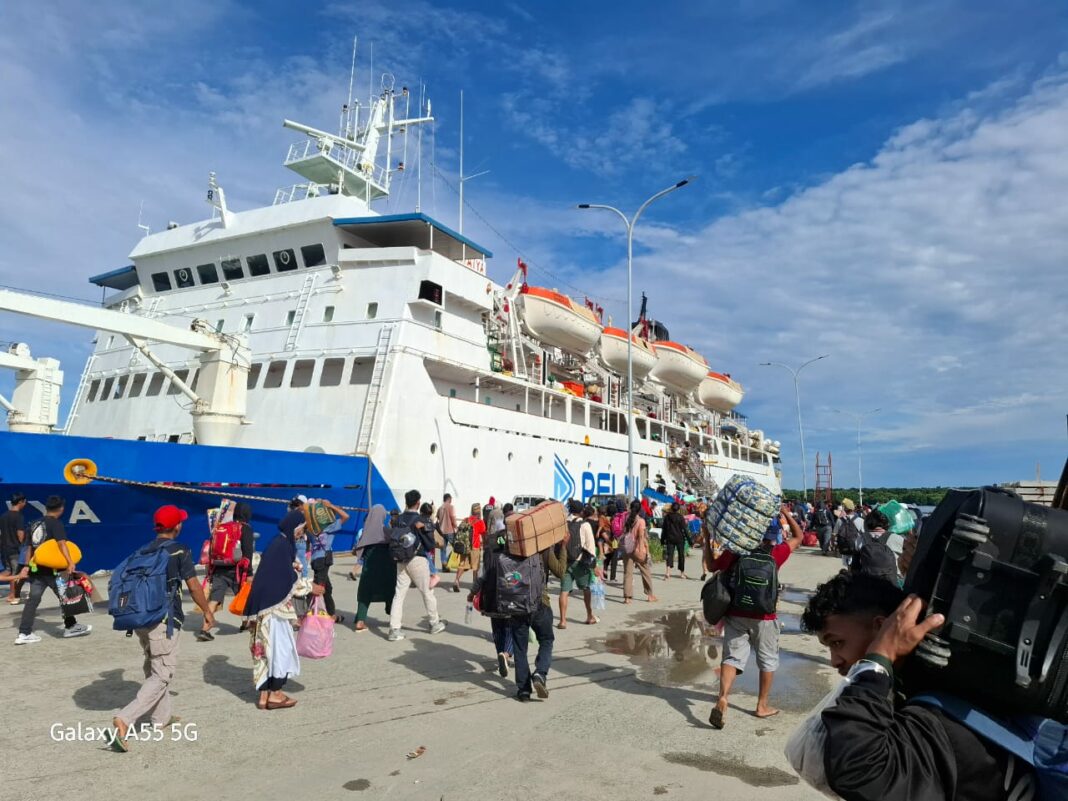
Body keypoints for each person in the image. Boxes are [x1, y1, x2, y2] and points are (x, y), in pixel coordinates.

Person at [796, 572, 1036, 800]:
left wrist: (878, 661)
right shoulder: (939, 678)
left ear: (883, 627)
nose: (834, 660)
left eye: (837, 642)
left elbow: (856, 768)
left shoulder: (933, 720)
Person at [108, 505, 214, 752]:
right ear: (177, 526)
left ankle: (161, 718)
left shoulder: (144, 549)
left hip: (141, 618)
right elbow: (194, 585)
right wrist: (207, 611)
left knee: (154, 666)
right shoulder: (179, 550)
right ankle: (124, 719)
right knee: (162, 673)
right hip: (164, 620)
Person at [708, 504, 804, 729]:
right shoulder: (777, 553)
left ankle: (723, 697)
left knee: (731, 658)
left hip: (736, 612)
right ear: (773, 536)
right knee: (767, 659)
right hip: (765, 616)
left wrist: (706, 537)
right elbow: (799, 536)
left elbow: (712, 565)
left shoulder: (737, 551)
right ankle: (762, 706)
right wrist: (785, 514)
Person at [244, 507, 317, 710]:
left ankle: (263, 696)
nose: (302, 533)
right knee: (279, 649)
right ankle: (275, 694)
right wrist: (311, 587)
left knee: (265, 651)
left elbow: (276, 573)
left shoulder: (278, 544)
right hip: (274, 612)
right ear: (294, 527)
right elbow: (285, 580)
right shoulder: (283, 545)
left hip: (264, 609)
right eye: (301, 528)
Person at [15, 495, 91, 644]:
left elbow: (28, 547)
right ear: (61, 509)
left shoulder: (34, 523)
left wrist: (25, 567)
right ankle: (71, 627)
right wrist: (70, 562)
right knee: (65, 597)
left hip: (37, 569)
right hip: (53, 570)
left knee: (33, 601)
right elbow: (62, 544)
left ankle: (24, 633)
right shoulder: (56, 524)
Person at [505, 542, 566, 701]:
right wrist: (564, 546)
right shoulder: (543, 548)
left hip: (517, 605)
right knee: (546, 639)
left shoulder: (511, 548)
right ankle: (540, 673)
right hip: (540, 603)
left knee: (519, 648)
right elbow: (561, 572)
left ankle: (524, 690)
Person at [388, 489, 446, 642]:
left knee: (399, 594)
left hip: (400, 559)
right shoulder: (420, 520)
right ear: (418, 503)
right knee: (427, 592)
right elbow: (430, 543)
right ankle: (434, 623)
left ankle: (394, 629)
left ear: (406, 502)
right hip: (417, 560)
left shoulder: (398, 519)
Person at [197, 501, 256, 642]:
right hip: (237, 571)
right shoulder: (245, 528)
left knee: (214, 600)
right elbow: (247, 553)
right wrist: (249, 573)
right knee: (246, 597)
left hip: (218, 568)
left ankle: (204, 629)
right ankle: (246, 624)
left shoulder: (221, 527)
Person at [468, 513, 514, 677]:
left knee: (497, 629)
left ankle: (500, 653)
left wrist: (472, 592)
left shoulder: (488, 546)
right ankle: (507, 655)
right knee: (510, 628)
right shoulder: (512, 544)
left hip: (491, 596)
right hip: (509, 594)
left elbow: (482, 575)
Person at [307, 497, 349, 622]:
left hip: (316, 559)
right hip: (323, 559)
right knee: (318, 588)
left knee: (327, 588)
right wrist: (331, 506)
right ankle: (304, 615)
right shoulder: (328, 527)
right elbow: (345, 517)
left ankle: (331, 614)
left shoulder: (312, 526)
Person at [558, 502, 598, 629]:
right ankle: (589, 615)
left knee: (564, 591)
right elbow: (590, 546)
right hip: (580, 562)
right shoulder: (584, 525)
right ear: (581, 512)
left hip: (565, 561)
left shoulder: (564, 524)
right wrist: (593, 564)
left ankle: (563, 620)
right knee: (586, 588)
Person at [353, 505, 393, 632]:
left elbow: (358, 550)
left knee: (365, 593)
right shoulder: (386, 531)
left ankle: (360, 620)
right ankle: (393, 617)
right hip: (386, 570)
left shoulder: (365, 532)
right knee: (390, 591)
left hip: (368, 570)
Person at [620, 500, 658, 605]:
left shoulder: (627, 519)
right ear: (640, 509)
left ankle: (627, 598)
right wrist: (642, 550)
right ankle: (650, 595)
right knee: (646, 571)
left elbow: (624, 532)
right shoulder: (641, 521)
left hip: (627, 548)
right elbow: (641, 536)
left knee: (628, 573)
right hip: (637, 548)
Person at [451, 502, 485, 593]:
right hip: (475, 546)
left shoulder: (465, 520)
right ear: (479, 511)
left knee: (462, 564)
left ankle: (456, 581)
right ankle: (474, 585)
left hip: (465, 547)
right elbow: (483, 533)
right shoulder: (480, 522)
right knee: (475, 567)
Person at [1, 492, 28, 604]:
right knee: (15, 573)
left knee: (8, 570)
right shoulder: (18, 517)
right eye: (25, 502)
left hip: (5, 549)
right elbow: (20, 535)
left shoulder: (3, 516)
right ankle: (12, 595)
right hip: (15, 549)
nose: (25, 504)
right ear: (20, 502)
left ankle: (12, 594)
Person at [661, 502, 689, 580]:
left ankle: (668, 572)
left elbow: (664, 530)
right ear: (678, 509)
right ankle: (682, 573)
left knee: (669, 555)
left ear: (671, 508)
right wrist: (690, 540)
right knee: (681, 556)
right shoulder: (680, 517)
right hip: (680, 538)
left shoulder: (667, 517)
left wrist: (662, 540)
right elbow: (685, 529)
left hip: (669, 538)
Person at [835, 498, 864, 567]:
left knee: (848, 566)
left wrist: (834, 546)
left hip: (845, 548)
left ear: (844, 509)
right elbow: (865, 535)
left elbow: (834, 534)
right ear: (853, 509)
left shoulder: (839, 520)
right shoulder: (860, 520)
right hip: (857, 549)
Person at [418, 501, 441, 589]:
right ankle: (430, 577)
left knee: (428, 560)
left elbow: (430, 527)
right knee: (428, 560)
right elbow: (432, 526)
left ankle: (433, 574)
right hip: (430, 544)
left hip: (425, 545)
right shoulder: (429, 520)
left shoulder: (421, 519)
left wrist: (423, 525)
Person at [436, 493, 457, 571]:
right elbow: (453, 518)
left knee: (443, 549)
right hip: (450, 530)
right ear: (449, 499)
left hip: (441, 531)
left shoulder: (440, 508)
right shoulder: (451, 507)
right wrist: (456, 527)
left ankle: (444, 565)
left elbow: (437, 517)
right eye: (451, 499)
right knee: (457, 547)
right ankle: (448, 560)